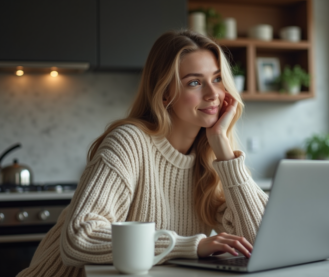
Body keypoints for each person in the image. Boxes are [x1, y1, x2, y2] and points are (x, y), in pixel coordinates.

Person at [17, 30, 268, 277]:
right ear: (166, 92)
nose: (213, 94)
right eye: (194, 82)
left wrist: (224, 151)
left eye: (217, 79)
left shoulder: (212, 159)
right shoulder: (129, 142)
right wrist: (190, 246)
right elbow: (80, 237)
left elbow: (263, 240)